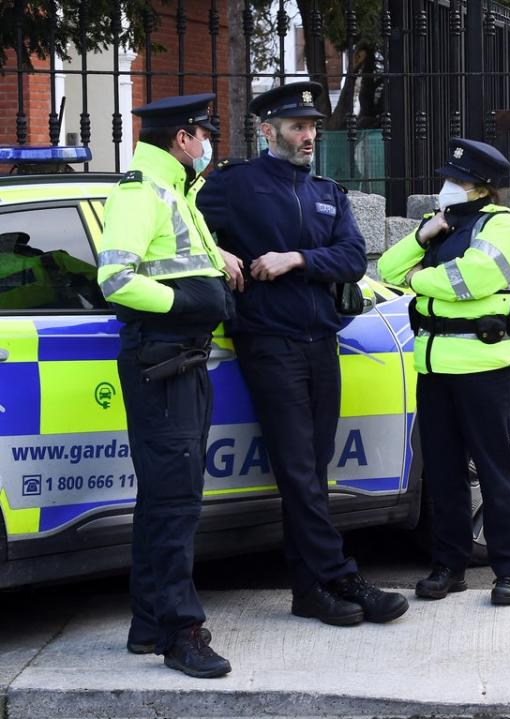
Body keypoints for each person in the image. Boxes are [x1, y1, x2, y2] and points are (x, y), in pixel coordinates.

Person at [196, 82, 408, 626]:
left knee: (312, 469)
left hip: (322, 343)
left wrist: (295, 258)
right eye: (297, 127)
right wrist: (217, 251)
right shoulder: (234, 185)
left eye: (312, 126)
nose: (309, 135)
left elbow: (353, 258)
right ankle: (341, 576)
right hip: (267, 341)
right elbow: (180, 220)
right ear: (268, 131)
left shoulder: (328, 192)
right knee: (296, 469)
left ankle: (308, 591)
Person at [97, 93, 234, 678]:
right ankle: (182, 632)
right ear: (183, 137)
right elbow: (115, 277)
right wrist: (182, 303)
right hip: (162, 364)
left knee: (163, 501)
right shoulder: (141, 191)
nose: (206, 145)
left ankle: (149, 624)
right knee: (175, 505)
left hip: (181, 363)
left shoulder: (175, 192)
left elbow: (183, 260)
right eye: (203, 134)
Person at [378, 138, 510, 606]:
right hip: (434, 366)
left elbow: (471, 280)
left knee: (495, 469)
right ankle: (449, 566)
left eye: (456, 181)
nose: (446, 186)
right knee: (443, 473)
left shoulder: (503, 227)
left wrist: (417, 280)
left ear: (481, 188)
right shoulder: (440, 226)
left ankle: (509, 571)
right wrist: (424, 236)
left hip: (484, 367)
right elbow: (386, 267)